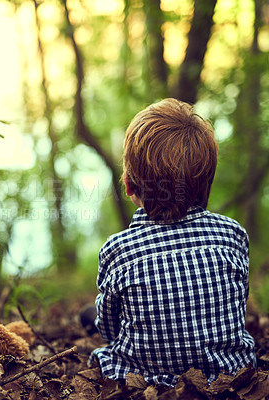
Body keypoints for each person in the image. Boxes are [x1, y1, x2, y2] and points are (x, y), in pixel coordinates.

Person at [87, 98, 256, 386]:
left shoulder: (118, 251)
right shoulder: (234, 235)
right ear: (207, 184)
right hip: (228, 377)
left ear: (128, 184)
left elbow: (109, 330)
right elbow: (236, 305)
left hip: (144, 379)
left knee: (102, 332)